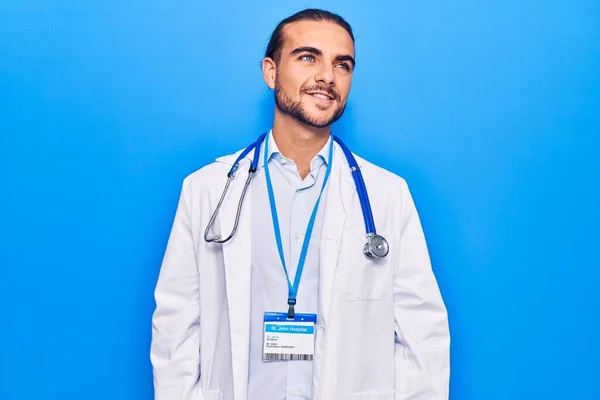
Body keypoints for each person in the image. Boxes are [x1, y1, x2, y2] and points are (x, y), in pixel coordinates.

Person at [150, 8, 450, 400]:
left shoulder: (387, 195)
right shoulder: (207, 190)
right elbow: (175, 330)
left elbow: (422, 337)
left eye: (342, 64)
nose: (327, 76)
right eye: (308, 57)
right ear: (271, 72)